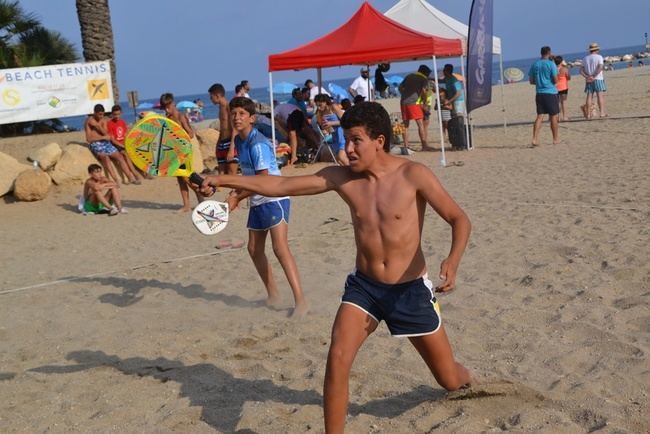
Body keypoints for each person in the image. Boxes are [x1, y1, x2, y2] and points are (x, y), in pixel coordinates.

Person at [199, 102, 472, 433]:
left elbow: (459, 219)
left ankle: (469, 382)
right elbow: (281, 185)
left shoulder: (413, 174)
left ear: (380, 141)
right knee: (338, 360)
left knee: (449, 378)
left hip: (410, 291)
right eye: (345, 140)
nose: (348, 149)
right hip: (365, 288)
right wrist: (223, 180)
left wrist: (453, 261)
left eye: (356, 140)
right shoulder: (342, 178)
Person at [215, 96, 309, 317]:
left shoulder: (258, 144)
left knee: (280, 249)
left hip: (274, 197)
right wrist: (234, 192)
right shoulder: (239, 141)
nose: (237, 117)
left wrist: (237, 197)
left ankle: (301, 301)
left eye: (242, 114)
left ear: (252, 118)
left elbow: (263, 180)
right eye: (234, 113)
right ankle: (274, 295)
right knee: (254, 249)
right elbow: (247, 177)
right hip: (256, 198)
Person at [160, 92, 205, 212]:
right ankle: (186, 205)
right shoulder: (167, 119)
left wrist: (178, 136)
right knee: (180, 179)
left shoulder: (181, 116)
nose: (166, 109)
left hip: (185, 150)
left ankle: (200, 197)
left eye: (167, 106)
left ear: (173, 104)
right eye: (164, 107)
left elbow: (190, 133)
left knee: (186, 177)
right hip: (175, 151)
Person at [84, 104, 139, 186]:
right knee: (105, 157)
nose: (101, 116)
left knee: (119, 156)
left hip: (105, 143)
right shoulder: (89, 121)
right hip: (96, 144)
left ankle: (130, 177)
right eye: (99, 114)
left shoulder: (104, 120)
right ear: (94, 113)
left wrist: (98, 126)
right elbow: (89, 139)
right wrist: (101, 136)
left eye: (102, 114)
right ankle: (116, 180)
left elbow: (106, 134)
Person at [106, 104, 146, 183]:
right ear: (112, 114)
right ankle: (135, 174)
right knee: (125, 154)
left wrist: (129, 143)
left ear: (121, 113)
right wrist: (122, 146)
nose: (117, 116)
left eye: (118, 114)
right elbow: (112, 140)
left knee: (138, 151)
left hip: (124, 143)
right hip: (117, 145)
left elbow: (126, 135)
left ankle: (144, 172)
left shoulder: (122, 122)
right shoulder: (109, 123)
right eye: (115, 114)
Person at [528, 46, 560, 146]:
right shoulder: (551, 64)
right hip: (550, 92)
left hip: (539, 93)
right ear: (549, 53)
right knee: (553, 116)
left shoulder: (535, 64)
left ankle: (534, 139)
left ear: (541, 53)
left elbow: (531, 81)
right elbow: (555, 80)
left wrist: (540, 82)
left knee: (540, 116)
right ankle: (555, 139)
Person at [399, 64, 434, 151]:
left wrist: (404, 94)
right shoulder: (423, 79)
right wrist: (425, 101)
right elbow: (423, 91)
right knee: (420, 124)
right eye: (428, 73)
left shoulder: (409, 76)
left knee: (406, 125)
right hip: (413, 103)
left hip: (403, 102)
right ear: (425, 72)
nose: (428, 75)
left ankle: (406, 145)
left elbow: (400, 87)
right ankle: (424, 145)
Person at [208, 83, 239, 175]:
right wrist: (218, 144)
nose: (211, 99)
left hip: (231, 142)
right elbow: (222, 128)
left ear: (217, 95)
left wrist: (231, 148)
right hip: (222, 143)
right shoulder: (220, 108)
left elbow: (235, 128)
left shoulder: (228, 106)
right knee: (221, 173)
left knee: (231, 173)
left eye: (211, 97)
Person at [314, 93, 348, 165]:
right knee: (339, 160)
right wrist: (324, 128)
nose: (319, 108)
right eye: (317, 106)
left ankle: (356, 174)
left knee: (341, 157)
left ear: (325, 102)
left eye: (320, 105)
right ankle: (349, 174)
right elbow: (323, 125)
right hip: (334, 136)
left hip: (342, 135)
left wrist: (331, 123)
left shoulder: (333, 107)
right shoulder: (320, 112)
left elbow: (345, 121)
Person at [580, 42, 607, 119]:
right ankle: (602, 113)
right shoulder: (599, 57)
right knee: (600, 96)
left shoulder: (585, 58)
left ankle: (588, 114)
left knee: (589, 96)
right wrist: (594, 76)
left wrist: (587, 77)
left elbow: (581, 70)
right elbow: (600, 67)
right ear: (597, 49)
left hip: (588, 80)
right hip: (598, 78)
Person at [553, 56, 571, 121]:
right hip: (564, 87)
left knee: (557, 103)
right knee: (563, 102)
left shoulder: (553, 69)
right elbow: (568, 77)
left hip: (556, 87)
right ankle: (565, 116)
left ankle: (558, 117)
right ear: (561, 62)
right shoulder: (564, 69)